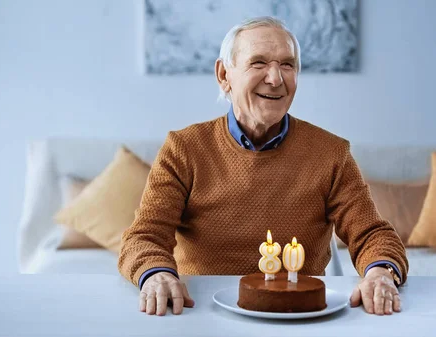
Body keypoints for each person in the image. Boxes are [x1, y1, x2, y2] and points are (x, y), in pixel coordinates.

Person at [118, 16, 408, 317]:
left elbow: (373, 234)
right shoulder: (184, 149)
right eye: (258, 63)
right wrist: (156, 274)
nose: (275, 78)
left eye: (287, 64)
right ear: (224, 75)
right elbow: (143, 237)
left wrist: (380, 272)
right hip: (200, 313)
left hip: (299, 316)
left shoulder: (332, 153)